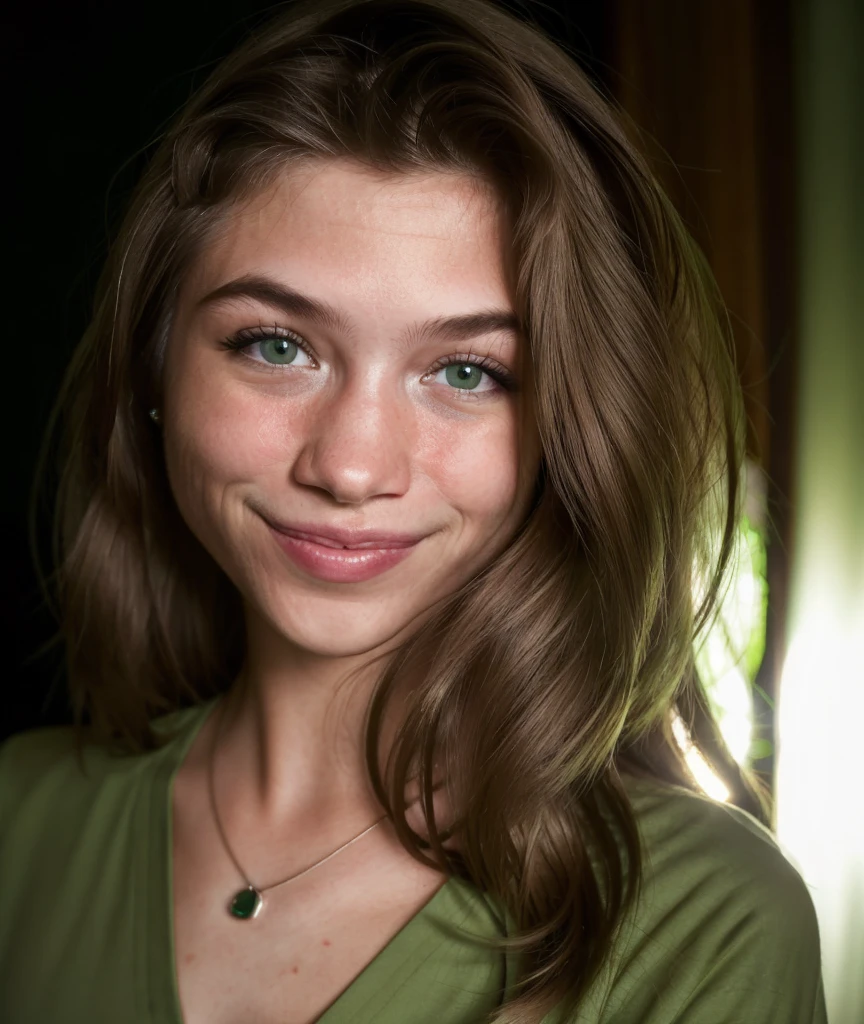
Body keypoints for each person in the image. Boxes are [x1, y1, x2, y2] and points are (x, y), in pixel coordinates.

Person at [0, 0, 827, 1021]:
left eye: (468, 372)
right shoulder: (19, 820)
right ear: (157, 363)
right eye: (276, 345)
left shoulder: (701, 924)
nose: (351, 466)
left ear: (566, 427)